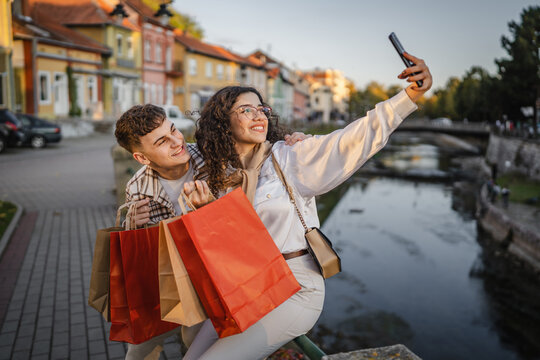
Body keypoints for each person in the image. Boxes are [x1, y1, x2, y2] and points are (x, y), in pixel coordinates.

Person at [184, 52, 432, 360]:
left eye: (261, 108)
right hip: (247, 286)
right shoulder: (219, 174)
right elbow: (167, 155)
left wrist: (409, 96)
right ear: (222, 121)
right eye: (246, 110)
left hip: (295, 288)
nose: (259, 115)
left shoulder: (289, 157)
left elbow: (352, 140)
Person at [114, 104, 309, 359]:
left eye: (174, 130)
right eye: (162, 141)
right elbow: (144, 248)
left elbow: (259, 156)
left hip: (211, 283)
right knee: (138, 350)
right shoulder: (137, 186)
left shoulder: (214, 160)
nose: (177, 142)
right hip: (167, 285)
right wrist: (133, 225)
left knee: (194, 343)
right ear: (141, 157)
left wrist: (296, 143)